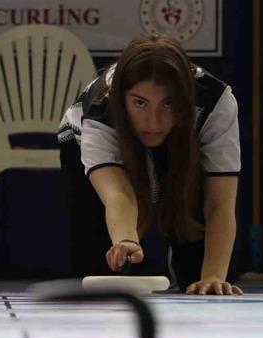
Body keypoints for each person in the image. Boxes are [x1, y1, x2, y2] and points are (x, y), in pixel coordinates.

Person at [58, 33, 242, 295]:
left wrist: (213, 274)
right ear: (122, 99)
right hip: (85, 140)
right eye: (140, 103)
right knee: (99, 273)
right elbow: (118, 195)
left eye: (168, 103)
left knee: (205, 279)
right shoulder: (101, 108)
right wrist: (125, 240)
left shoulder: (215, 103)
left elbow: (219, 203)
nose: (153, 122)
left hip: (184, 142)